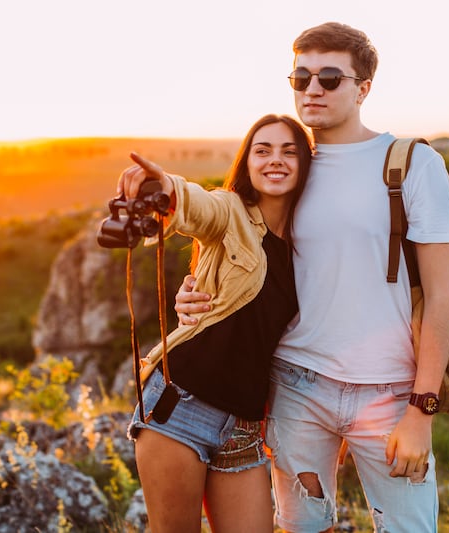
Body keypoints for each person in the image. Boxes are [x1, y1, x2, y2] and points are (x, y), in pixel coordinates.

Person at [174, 22, 449, 532]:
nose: (312, 90)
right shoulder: (289, 166)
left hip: (390, 392)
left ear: (363, 88)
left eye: (330, 78)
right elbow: (235, 237)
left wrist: (422, 410)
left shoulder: (413, 163)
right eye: (301, 77)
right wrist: (197, 291)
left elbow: (443, 294)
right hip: (297, 384)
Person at [118, 114, 313, 533]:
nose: (275, 160)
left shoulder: (312, 244)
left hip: (243, 426)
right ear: (247, 163)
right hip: (178, 407)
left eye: (288, 151)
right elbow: (195, 205)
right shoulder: (232, 213)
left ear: (305, 164)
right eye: (262, 151)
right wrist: (166, 186)